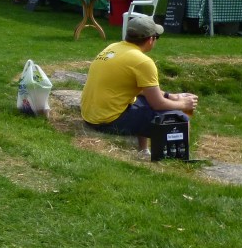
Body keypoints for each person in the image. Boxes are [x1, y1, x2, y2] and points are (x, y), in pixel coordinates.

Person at [81, 15, 198, 153]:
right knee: (180, 119)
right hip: (108, 121)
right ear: (150, 39)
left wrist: (171, 96)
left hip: (91, 116)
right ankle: (173, 158)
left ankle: (144, 150)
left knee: (144, 102)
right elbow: (158, 104)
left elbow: (142, 90)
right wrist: (184, 104)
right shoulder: (143, 62)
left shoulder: (113, 47)